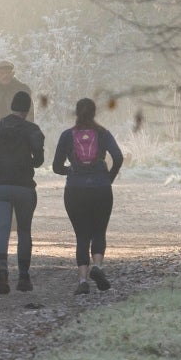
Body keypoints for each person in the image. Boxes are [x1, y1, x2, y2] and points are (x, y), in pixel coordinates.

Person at [0, 89, 45, 294]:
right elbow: (38, 161)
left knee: (2, 229)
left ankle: (2, 270)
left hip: (0, 186)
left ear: (12, 107)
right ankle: (23, 277)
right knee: (24, 231)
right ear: (28, 109)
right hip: (24, 188)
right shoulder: (32, 129)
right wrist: (28, 159)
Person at [51, 97, 125, 295]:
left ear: (76, 113)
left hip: (75, 190)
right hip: (101, 188)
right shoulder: (103, 134)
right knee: (99, 231)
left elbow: (56, 167)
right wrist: (108, 177)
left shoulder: (67, 135)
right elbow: (118, 157)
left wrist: (74, 170)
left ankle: (83, 281)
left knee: (81, 235)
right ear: (94, 113)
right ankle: (98, 268)